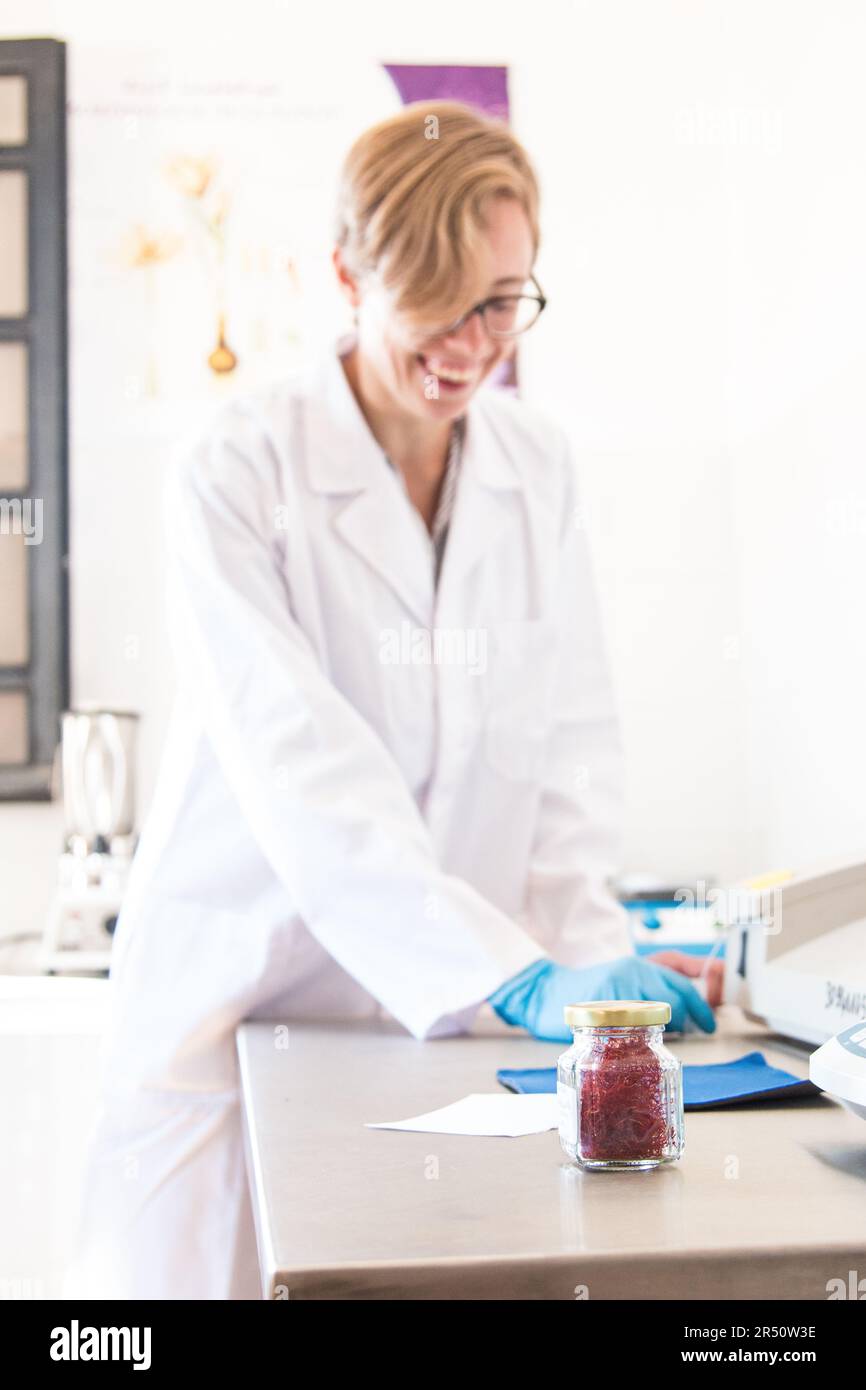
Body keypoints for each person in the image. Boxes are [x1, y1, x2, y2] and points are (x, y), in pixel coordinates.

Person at [65, 100, 718, 1302]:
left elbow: (568, 748)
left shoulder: (536, 466)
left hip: (450, 1036)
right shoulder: (237, 471)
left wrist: (589, 979)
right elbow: (299, 760)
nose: (471, 343)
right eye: (436, 299)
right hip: (238, 1008)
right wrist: (504, 974)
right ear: (346, 274)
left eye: (503, 300)